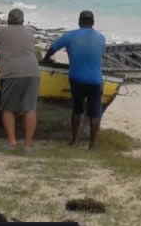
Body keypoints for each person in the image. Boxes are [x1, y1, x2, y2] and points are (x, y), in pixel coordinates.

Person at [42, 9, 107, 149]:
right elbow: (101, 54)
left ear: (79, 21)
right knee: (95, 114)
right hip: (96, 80)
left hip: (77, 78)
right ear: (93, 22)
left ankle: (74, 140)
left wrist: (46, 59)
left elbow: (52, 48)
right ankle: (92, 145)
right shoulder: (101, 37)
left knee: (77, 110)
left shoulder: (70, 36)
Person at [0, 8, 40, 149]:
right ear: (22, 21)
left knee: (8, 108)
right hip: (33, 71)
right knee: (30, 108)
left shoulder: (1, 31)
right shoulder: (29, 32)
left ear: (8, 20)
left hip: (12, 72)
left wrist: (1, 51)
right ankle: (28, 144)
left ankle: (12, 142)